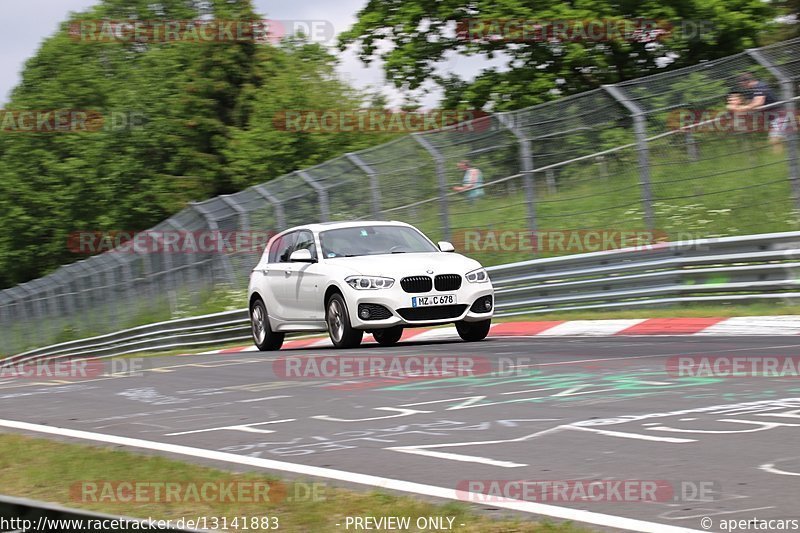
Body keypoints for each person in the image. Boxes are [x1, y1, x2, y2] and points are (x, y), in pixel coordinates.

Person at [727, 72, 785, 154]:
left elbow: (758, 103)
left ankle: (786, 160)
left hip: (780, 115)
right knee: (776, 139)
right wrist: (737, 107)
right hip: (772, 118)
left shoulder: (760, 86)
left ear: (746, 81)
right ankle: (785, 157)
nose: (742, 86)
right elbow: (751, 105)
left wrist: (742, 108)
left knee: (774, 140)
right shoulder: (752, 91)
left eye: (741, 84)